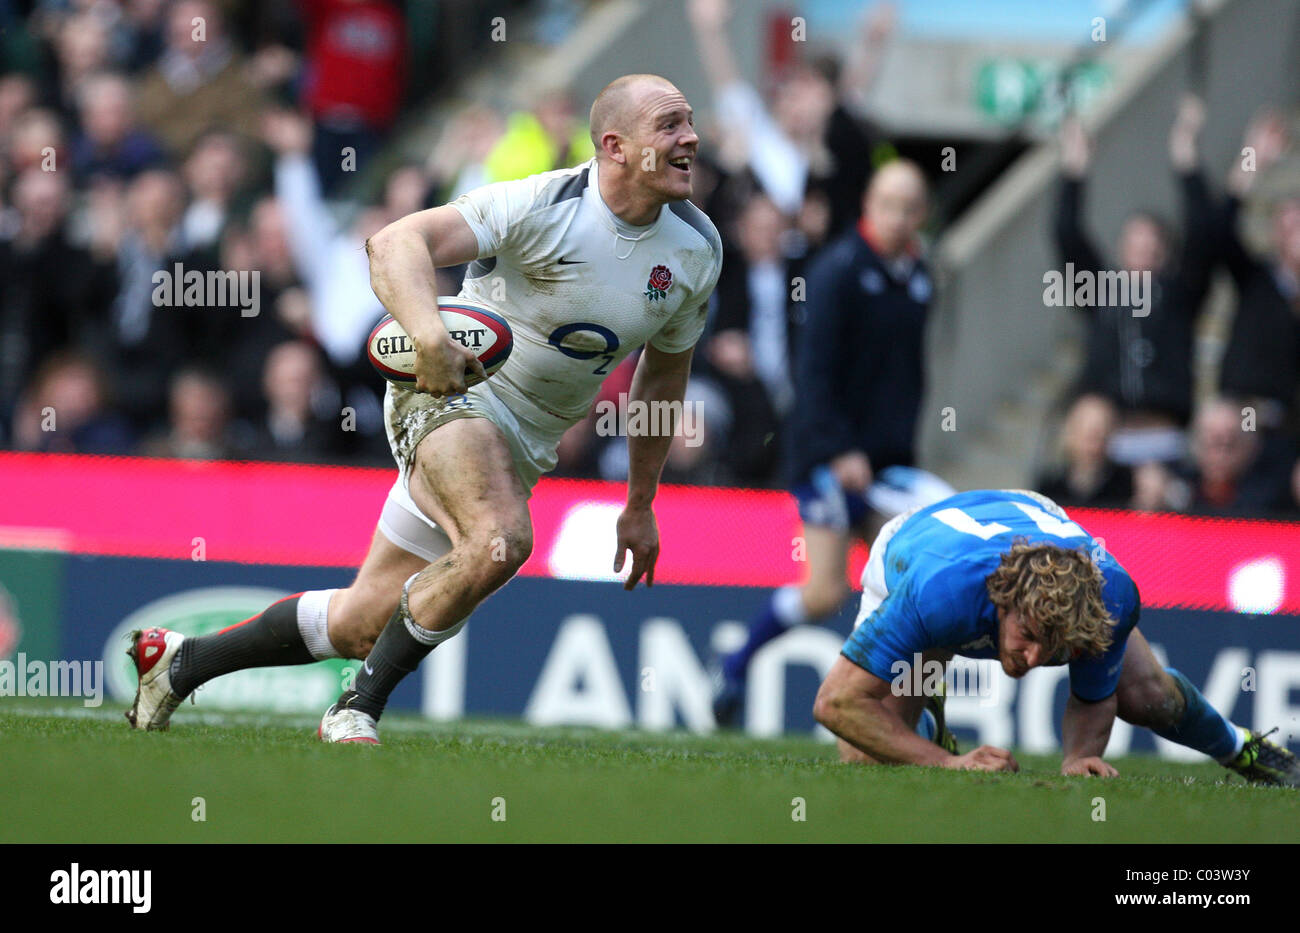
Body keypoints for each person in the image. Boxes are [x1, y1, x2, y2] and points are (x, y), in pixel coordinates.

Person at [124, 73, 723, 744]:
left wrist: (640, 502)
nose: (691, 137)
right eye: (670, 124)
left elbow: (663, 379)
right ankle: (355, 708)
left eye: (689, 121)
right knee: (503, 538)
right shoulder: (542, 204)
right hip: (446, 393)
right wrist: (431, 338)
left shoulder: (696, 250)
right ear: (615, 145)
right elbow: (392, 244)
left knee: (360, 621)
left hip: (524, 443)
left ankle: (180, 663)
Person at [813, 488, 1299, 786]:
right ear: (1003, 602)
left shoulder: (1111, 597)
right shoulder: (937, 592)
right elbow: (836, 703)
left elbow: (1093, 699)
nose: (1035, 658)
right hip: (914, 543)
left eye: (1057, 644)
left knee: (1146, 694)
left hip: (1030, 513)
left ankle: (1246, 750)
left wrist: (1079, 758)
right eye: (1027, 634)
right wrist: (947, 764)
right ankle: (929, 714)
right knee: (865, 755)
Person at [712, 159, 954, 726]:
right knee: (823, 592)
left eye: (906, 207)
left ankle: (915, 718)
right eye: (885, 203)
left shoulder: (920, 277)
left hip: (887, 463)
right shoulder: (839, 270)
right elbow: (812, 371)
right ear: (868, 204)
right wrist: (839, 448)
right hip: (828, 453)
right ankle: (736, 664)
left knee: (927, 576)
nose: (895, 217)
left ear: (920, 215)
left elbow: (908, 377)